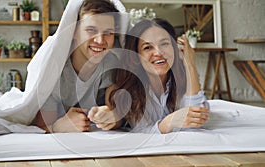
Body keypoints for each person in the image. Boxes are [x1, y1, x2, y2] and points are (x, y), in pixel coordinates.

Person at [88, 18, 209, 134]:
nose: (158, 53)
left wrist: (190, 64)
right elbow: (142, 133)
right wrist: (169, 123)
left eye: (164, 44)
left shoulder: (182, 79)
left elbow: (198, 120)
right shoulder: (128, 90)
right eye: (147, 47)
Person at [32, 0, 128, 133]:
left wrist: (111, 117)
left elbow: (115, 111)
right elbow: (37, 129)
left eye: (108, 32)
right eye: (91, 30)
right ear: (74, 32)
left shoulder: (110, 62)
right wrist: (57, 127)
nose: (100, 40)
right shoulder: (55, 67)